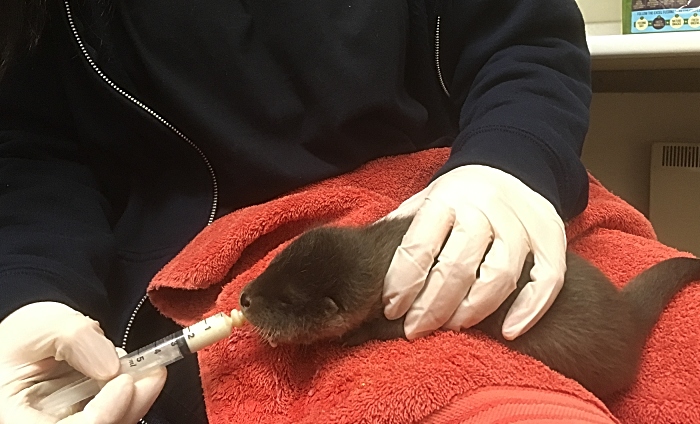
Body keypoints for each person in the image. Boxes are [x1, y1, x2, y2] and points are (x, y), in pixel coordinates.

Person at [0, 0, 591, 423]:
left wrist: (512, 160)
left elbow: (527, 36)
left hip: (444, 199)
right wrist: (33, 290)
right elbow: (33, 152)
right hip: (184, 263)